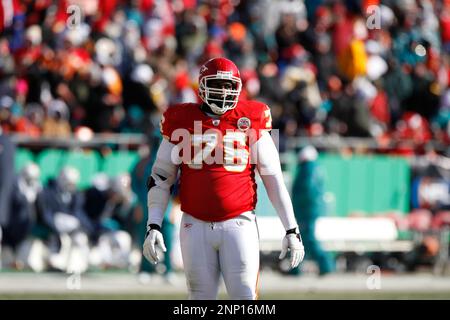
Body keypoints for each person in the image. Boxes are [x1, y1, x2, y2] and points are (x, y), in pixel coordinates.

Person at [142, 57, 305, 300]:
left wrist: (292, 229)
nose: (224, 91)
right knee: (199, 301)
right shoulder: (181, 118)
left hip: (239, 223)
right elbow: (161, 177)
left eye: (230, 86)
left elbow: (274, 180)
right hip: (193, 224)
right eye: (218, 84)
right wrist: (153, 224)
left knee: (244, 299)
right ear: (203, 85)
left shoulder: (252, 116)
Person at [291, 146, 335, 276]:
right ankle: (296, 268)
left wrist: (299, 206)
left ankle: (326, 265)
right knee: (303, 239)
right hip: (310, 209)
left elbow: (307, 190)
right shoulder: (315, 167)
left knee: (307, 239)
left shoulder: (308, 168)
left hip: (306, 210)